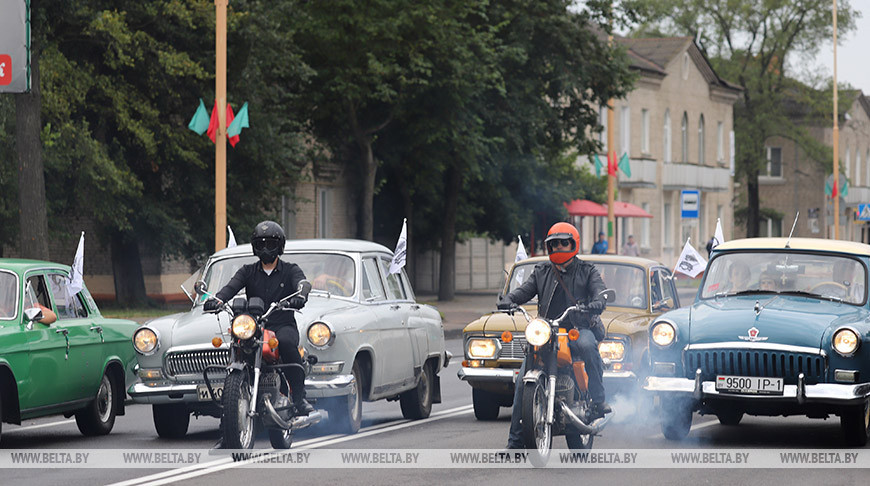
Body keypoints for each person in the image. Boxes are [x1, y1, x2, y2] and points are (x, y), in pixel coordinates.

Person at [498, 222, 609, 450]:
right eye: (554, 243)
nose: (558, 246)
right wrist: (508, 300)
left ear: (573, 243)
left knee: (588, 345)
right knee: (521, 381)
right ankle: (515, 443)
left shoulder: (587, 271)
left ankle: (598, 401)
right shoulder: (542, 271)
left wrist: (597, 302)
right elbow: (523, 291)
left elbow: (600, 292)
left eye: (563, 242)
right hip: (547, 331)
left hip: (576, 329)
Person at [204, 221, 313, 416]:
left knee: (287, 343)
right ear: (254, 247)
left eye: (270, 244)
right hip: (253, 326)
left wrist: (300, 295)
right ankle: (228, 420)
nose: (265, 249)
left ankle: (298, 397)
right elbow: (230, 287)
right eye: (260, 244)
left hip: (281, 324)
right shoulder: (247, 271)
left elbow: (302, 284)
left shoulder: (290, 270)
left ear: (279, 246)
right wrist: (217, 300)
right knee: (236, 348)